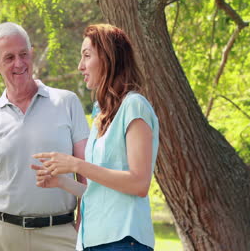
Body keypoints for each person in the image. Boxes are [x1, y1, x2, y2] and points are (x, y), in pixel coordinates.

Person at [32, 24, 159, 251]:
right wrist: (61, 182)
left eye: (87, 56)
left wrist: (76, 164)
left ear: (109, 58)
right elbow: (102, 192)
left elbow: (139, 184)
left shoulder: (134, 106)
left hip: (123, 241)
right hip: (92, 241)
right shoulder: (100, 114)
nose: (80, 66)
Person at [0, 22, 90, 251]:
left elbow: (85, 176)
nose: (19, 63)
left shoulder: (67, 103)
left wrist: (80, 231)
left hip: (60, 234)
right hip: (2, 235)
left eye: (24, 54)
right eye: (9, 58)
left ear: (32, 53)